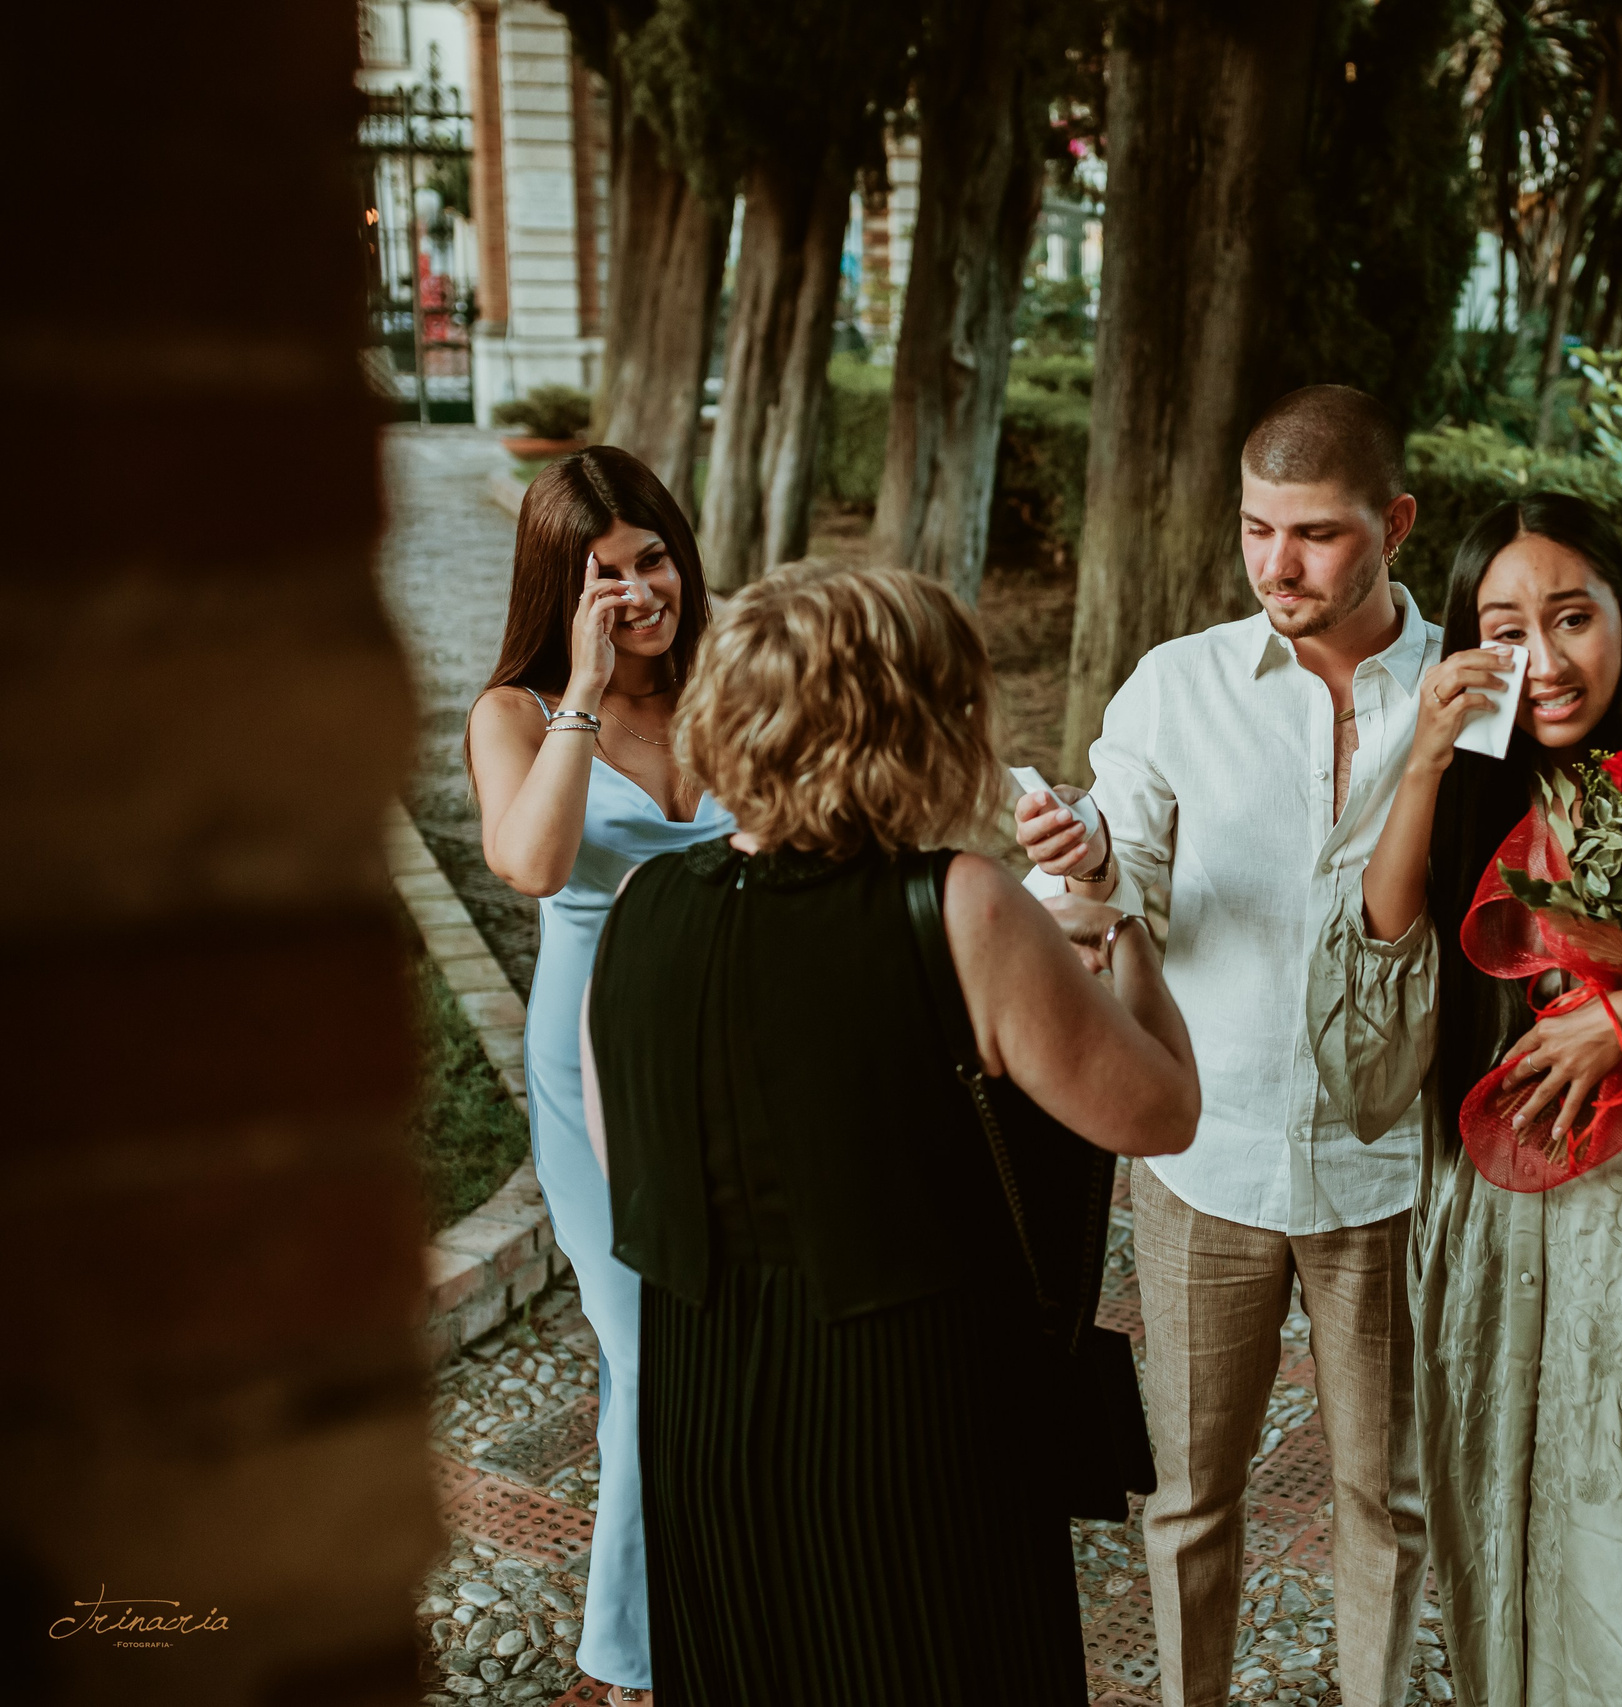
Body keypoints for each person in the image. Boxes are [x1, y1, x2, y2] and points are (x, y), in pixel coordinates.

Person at [582, 564, 1200, 1704]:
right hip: (910, 1420)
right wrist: (1125, 940)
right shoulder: (959, 906)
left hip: (707, 1412)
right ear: (911, 727)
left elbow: (632, 1165)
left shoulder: (638, 909)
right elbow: (1162, 1109)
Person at [1319, 493, 1622, 1707]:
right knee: (1491, 1540)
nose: (1543, 659)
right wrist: (1425, 765)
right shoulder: (1463, 781)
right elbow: (1367, 1047)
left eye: (1573, 616)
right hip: (1491, 1226)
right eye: (1505, 629)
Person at [1015, 385, 1434, 1707]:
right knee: (1191, 1494)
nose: (1276, 564)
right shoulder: (1177, 686)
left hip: (1395, 1169)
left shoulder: (1465, 694)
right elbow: (1112, 884)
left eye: (1314, 533)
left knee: (1388, 1499)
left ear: (1394, 526)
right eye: (1257, 528)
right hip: (1207, 1159)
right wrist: (1086, 858)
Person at [465, 446, 735, 1705]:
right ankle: (631, 1663)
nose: (639, 593)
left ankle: (730, 1610)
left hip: (736, 1052)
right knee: (649, 1354)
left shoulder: (731, 679)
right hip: (595, 1068)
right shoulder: (515, 713)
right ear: (559, 593)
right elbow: (530, 863)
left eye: (652, 560)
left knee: (729, 1345)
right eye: (603, 578)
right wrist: (581, 689)